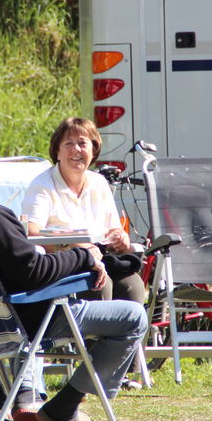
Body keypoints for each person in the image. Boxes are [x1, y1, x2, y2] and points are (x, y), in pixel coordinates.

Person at [0, 127, 148, 421]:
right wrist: (83, 257)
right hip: (23, 320)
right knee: (133, 317)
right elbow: (34, 271)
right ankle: (62, 408)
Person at [21, 117, 147, 306]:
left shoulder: (99, 183)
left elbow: (113, 229)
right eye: (68, 143)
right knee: (99, 285)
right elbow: (31, 231)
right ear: (57, 152)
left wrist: (120, 238)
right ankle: (91, 336)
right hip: (65, 263)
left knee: (133, 285)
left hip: (102, 256)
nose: (76, 149)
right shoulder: (43, 186)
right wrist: (74, 244)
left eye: (82, 143)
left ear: (93, 149)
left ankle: (123, 336)